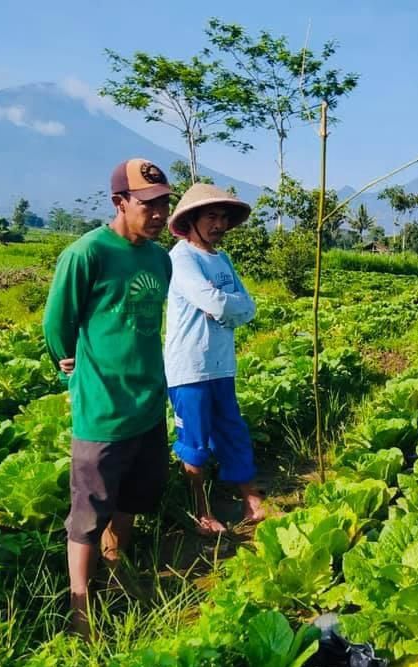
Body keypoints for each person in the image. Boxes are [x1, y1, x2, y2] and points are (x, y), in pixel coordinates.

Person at [43, 158, 173, 637]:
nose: (159, 212)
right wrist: (71, 370)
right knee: (89, 510)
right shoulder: (87, 254)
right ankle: (81, 610)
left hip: (147, 401)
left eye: (164, 203)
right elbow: (58, 325)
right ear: (120, 202)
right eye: (149, 204)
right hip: (102, 407)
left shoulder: (159, 258)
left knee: (136, 495)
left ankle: (117, 566)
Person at [164, 183, 265, 535]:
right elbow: (219, 302)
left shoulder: (222, 259)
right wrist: (225, 306)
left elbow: (248, 307)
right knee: (194, 442)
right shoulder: (181, 258)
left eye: (223, 217)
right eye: (211, 216)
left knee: (232, 432)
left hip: (221, 364)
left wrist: (225, 307)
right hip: (188, 367)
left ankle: (252, 501)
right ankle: (201, 511)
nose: (219, 224)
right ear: (190, 219)